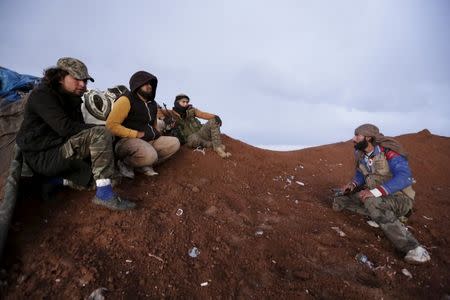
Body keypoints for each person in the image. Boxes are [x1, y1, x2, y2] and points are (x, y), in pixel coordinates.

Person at [16, 57, 135, 211]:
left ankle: (56, 181)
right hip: (42, 156)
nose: (83, 85)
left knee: (113, 179)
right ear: (60, 77)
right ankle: (104, 196)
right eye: (77, 79)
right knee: (100, 133)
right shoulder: (42, 95)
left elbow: (78, 132)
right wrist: (104, 131)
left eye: (85, 81)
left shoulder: (73, 99)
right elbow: (66, 128)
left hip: (61, 150)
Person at [333, 124, 430, 264]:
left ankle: (415, 249)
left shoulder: (389, 152)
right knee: (340, 201)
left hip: (400, 198)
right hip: (377, 197)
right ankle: (380, 214)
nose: (353, 139)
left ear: (368, 138)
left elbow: (404, 177)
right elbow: (360, 174)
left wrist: (375, 192)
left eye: (357, 136)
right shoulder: (361, 154)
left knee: (371, 201)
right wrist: (352, 185)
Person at [105, 71, 180, 179]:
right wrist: (134, 134)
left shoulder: (153, 104)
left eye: (151, 84)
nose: (149, 86)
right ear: (137, 84)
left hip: (149, 140)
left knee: (174, 143)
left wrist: (157, 133)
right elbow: (111, 125)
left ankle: (143, 164)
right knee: (151, 156)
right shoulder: (125, 100)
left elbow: (154, 125)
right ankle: (124, 163)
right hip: (126, 141)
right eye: (145, 83)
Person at [169, 94, 231, 158]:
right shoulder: (171, 113)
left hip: (201, 132)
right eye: (183, 102)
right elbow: (160, 112)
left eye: (187, 102)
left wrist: (214, 116)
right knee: (194, 139)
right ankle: (212, 144)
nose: (185, 104)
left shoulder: (192, 110)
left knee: (214, 120)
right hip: (190, 139)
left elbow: (202, 114)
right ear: (177, 102)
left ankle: (217, 147)